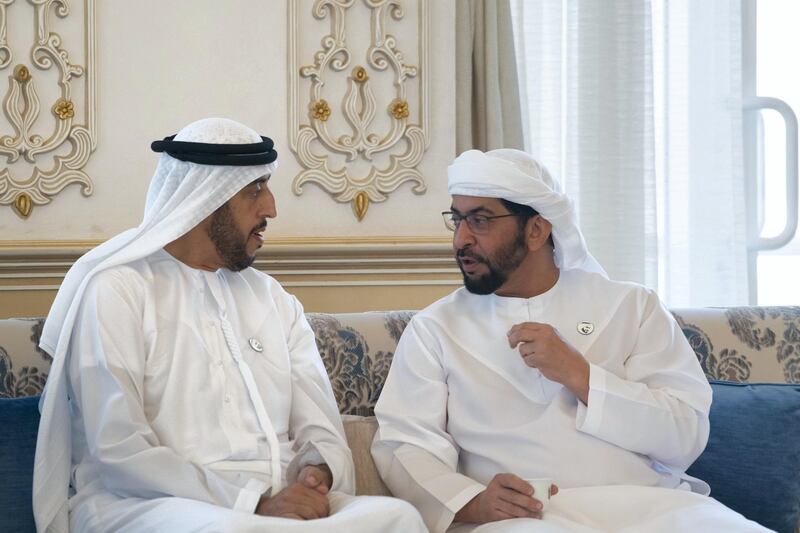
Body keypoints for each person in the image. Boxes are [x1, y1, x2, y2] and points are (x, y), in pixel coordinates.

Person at [33, 118, 426, 533]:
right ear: (208, 198)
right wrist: (252, 504)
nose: (271, 208)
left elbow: (320, 426)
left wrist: (317, 473)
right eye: (255, 189)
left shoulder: (273, 299)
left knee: (398, 518)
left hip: (276, 499)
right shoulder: (117, 290)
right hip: (147, 504)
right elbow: (118, 451)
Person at [371, 149, 772, 533]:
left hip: (654, 509)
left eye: (480, 221)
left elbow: (685, 435)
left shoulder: (632, 306)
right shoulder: (435, 328)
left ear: (536, 230)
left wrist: (581, 376)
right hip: (526, 520)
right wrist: (469, 502)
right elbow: (404, 444)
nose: (461, 240)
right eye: (456, 219)